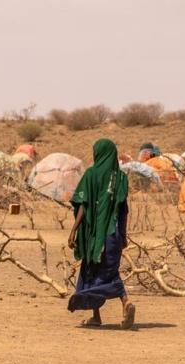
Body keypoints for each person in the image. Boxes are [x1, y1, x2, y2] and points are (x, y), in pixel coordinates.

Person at [67, 138, 136, 329]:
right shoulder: (120, 178)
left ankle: (114, 307)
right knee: (109, 271)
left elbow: (83, 204)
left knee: (91, 270)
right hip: (113, 234)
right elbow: (123, 210)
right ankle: (109, 310)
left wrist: (73, 230)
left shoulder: (90, 174)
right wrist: (123, 235)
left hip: (93, 236)